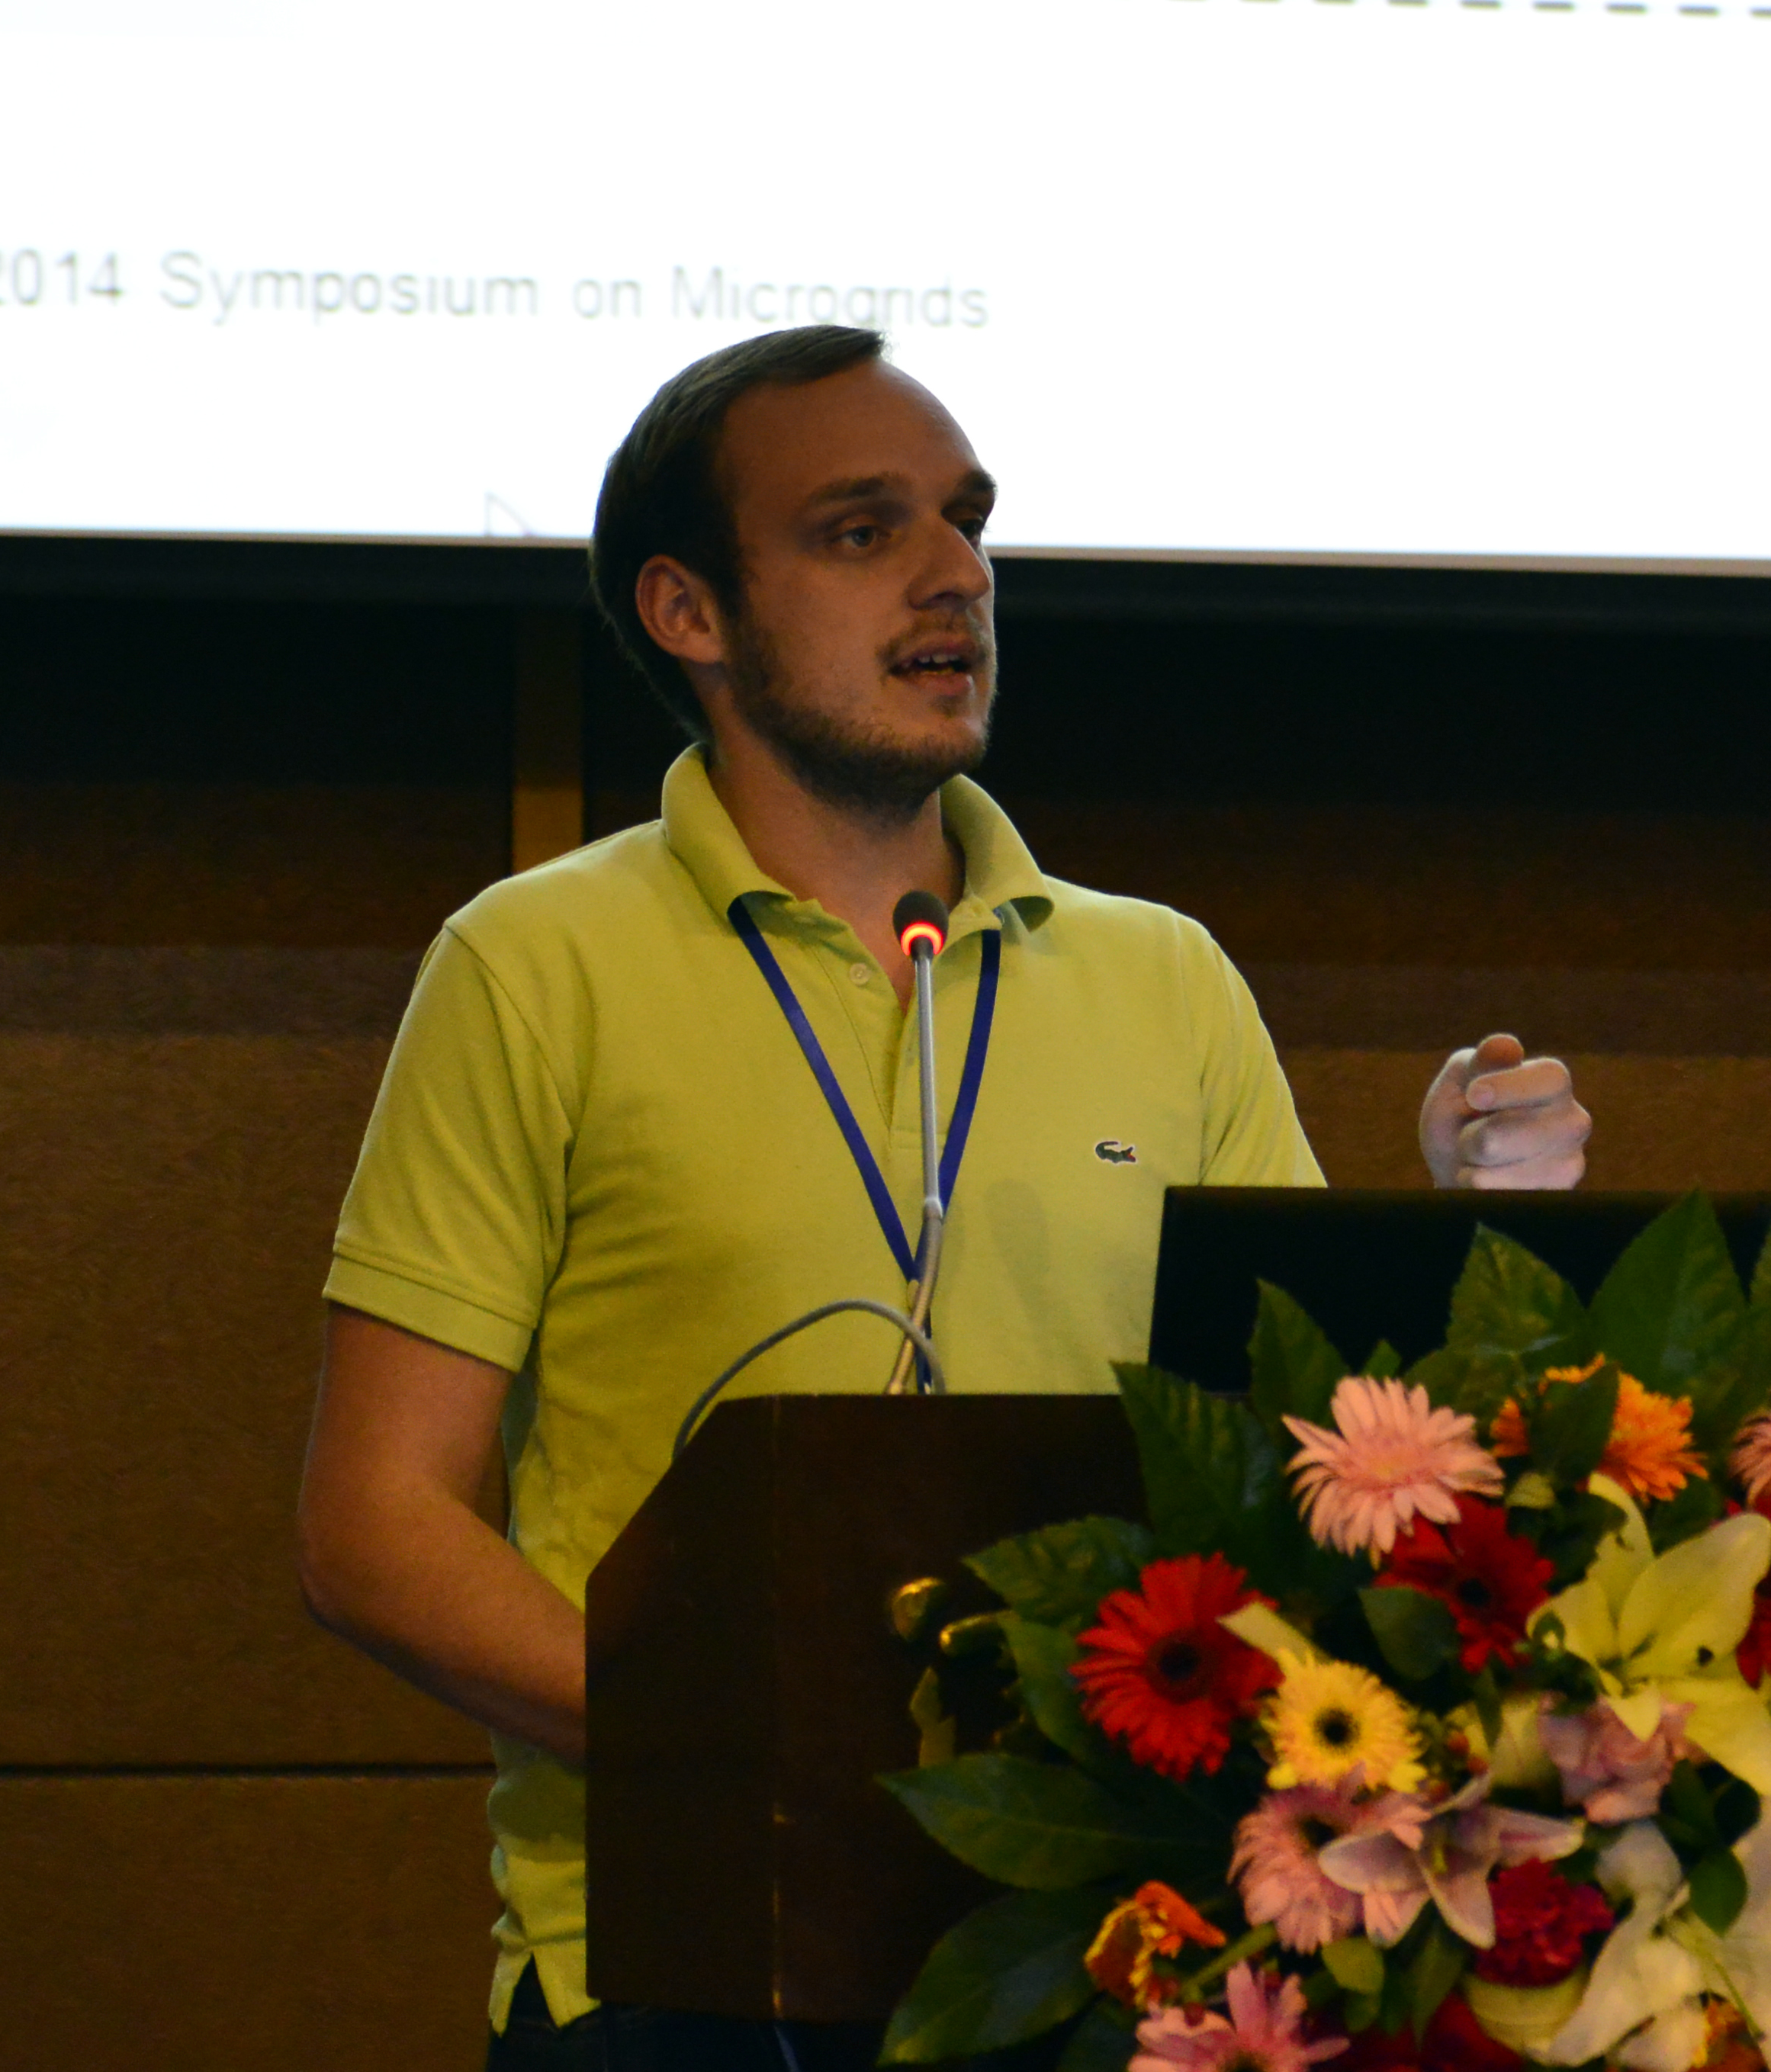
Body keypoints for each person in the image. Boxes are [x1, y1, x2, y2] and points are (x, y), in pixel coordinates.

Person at [294, 325, 1593, 2067]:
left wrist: (1463, 1236)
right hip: (689, 1959)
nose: (955, 574)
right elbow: (376, 1528)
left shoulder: (1165, 979)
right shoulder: (536, 965)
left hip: (1119, 1955)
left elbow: (1301, 1465)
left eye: (967, 521)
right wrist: (747, 1759)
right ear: (688, 611)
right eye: (861, 530)